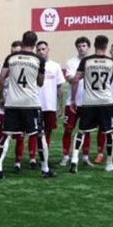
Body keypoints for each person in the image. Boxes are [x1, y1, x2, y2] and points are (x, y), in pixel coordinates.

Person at [0, 31, 55, 179]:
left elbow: (1, 79)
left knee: (6, 134)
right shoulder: (39, 60)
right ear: (35, 44)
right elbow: (40, 82)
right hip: (31, 103)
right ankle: (45, 169)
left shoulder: (11, 58)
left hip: (12, 103)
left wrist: (1, 98)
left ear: (22, 41)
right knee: (39, 134)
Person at [68, 35, 113, 173]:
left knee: (82, 131)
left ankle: (74, 159)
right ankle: (109, 164)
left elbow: (76, 79)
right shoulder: (112, 62)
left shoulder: (86, 61)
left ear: (94, 45)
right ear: (106, 46)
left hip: (89, 102)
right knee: (109, 133)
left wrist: (73, 99)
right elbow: (110, 80)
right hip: (105, 101)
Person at [60, 36, 93, 167]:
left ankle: (85, 157)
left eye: (84, 46)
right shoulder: (71, 63)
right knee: (68, 129)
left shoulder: (93, 62)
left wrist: (77, 77)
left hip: (88, 102)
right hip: (72, 102)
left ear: (88, 47)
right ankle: (65, 156)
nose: (81, 48)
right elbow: (70, 80)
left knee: (86, 131)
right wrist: (78, 76)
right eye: (79, 46)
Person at [0, 40, 22, 169]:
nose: (14, 54)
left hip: (18, 106)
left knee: (19, 136)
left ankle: (18, 162)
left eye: (17, 52)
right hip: (3, 106)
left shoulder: (24, 66)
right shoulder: (6, 65)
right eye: (12, 52)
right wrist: (5, 75)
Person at [34, 40, 64, 168]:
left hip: (50, 105)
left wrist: (60, 106)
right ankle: (32, 159)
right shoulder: (33, 65)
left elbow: (59, 88)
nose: (41, 52)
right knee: (34, 132)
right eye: (39, 49)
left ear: (48, 50)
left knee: (48, 132)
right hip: (35, 104)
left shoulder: (55, 66)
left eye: (43, 49)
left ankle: (44, 158)